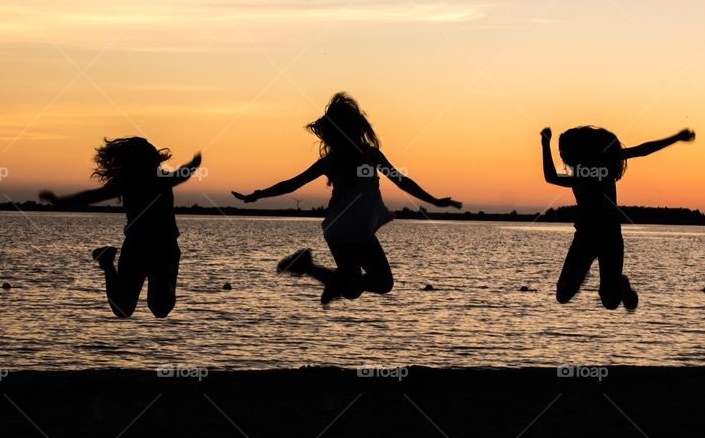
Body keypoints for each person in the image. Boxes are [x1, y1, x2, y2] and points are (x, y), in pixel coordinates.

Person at [233, 93, 462, 304]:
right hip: (356, 228)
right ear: (355, 127)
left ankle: (309, 268)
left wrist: (259, 195)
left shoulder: (331, 161)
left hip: (336, 228)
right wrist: (434, 200)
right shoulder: (370, 155)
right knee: (381, 283)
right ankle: (315, 271)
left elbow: (292, 184)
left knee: (352, 290)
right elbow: (400, 180)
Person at [40, 137, 201, 318]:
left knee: (159, 308)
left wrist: (194, 164)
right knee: (123, 309)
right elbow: (92, 196)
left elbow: (181, 174)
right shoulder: (132, 182)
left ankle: (161, 273)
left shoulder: (158, 179)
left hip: (162, 247)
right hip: (139, 246)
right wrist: (60, 201)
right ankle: (109, 263)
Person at [541, 126, 696, 310]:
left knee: (562, 295)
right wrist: (675, 138)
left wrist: (544, 144)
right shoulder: (606, 162)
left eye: (563, 152)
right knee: (610, 301)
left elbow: (550, 176)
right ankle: (618, 284)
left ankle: (578, 280)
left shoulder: (580, 176)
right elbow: (642, 150)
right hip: (610, 235)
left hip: (586, 236)